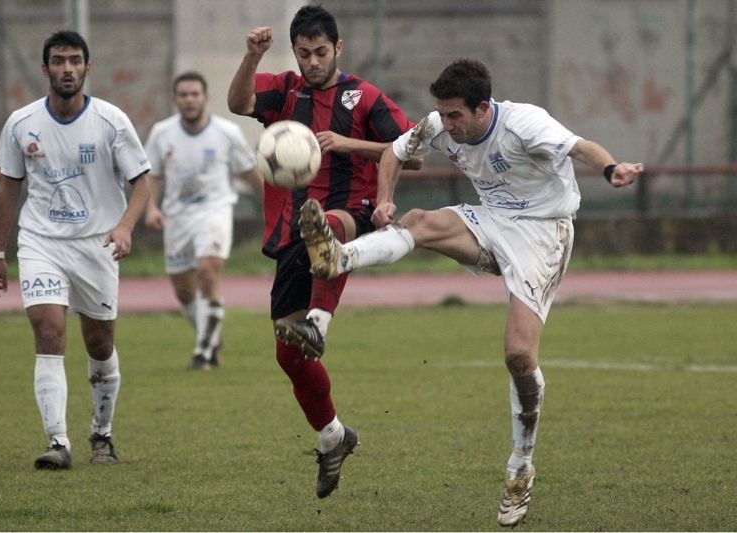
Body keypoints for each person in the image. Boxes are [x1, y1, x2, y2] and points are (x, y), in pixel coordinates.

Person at [300, 58, 643, 524]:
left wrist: (612, 169)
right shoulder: (439, 124)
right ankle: (340, 257)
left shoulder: (525, 124)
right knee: (418, 222)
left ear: (483, 108)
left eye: (455, 115)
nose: (446, 123)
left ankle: (520, 467)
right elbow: (394, 153)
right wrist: (384, 200)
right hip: (490, 220)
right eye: (441, 112)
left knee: (519, 357)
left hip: (543, 233)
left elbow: (582, 147)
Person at [227, 5, 417, 498]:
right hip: (292, 229)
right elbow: (238, 102)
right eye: (303, 53)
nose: (312, 61)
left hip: (350, 208)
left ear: (338, 48)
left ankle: (320, 320)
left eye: (320, 52)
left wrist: (349, 143)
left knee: (329, 229)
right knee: (287, 355)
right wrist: (251, 56)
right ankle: (334, 437)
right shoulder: (284, 88)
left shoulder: (364, 95)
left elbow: (411, 153)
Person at [0, 30, 151, 470]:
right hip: (41, 242)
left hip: (97, 244)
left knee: (99, 343)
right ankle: (58, 442)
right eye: (58, 61)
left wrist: (125, 228)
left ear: (87, 68)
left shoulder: (111, 121)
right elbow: (8, 189)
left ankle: (102, 433)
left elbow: (142, 182)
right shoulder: (22, 123)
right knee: (49, 332)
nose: (67, 69)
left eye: (75, 60)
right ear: (46, 69)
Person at [143, 71, 263, 371]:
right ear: (175, 100)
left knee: (208, 271)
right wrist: (151, 209)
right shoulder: (161, 133)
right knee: (184, 290)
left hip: (215, 210)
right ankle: (210, 335)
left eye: (195, 94)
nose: (189, 100)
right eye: (183, 95)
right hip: (177, 217)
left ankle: (205, 353)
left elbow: (250, 172)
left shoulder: (227, 133)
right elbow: (152, 175)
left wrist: (273, 208)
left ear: (205, 98)